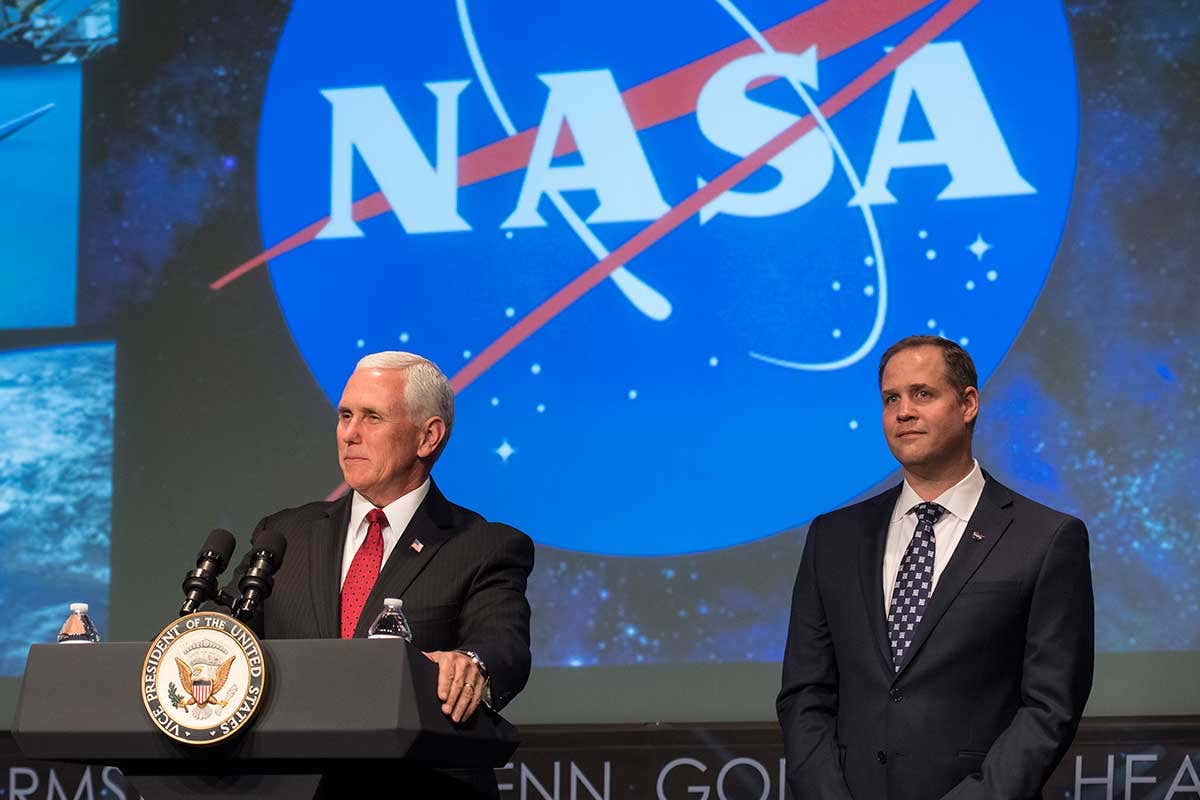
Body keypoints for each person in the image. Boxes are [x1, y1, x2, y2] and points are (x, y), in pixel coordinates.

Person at [777, 336, 1094, 800]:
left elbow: (1050, 707)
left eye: (922, 393)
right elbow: (805, 693)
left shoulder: (1046, 538)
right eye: (891, 398)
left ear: (968, 404)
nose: (903, 411)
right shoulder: (834, 538)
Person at [234, 351, 534, 798]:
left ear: (428, 437)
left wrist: (471, 664)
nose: (349, 434)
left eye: (372, 417)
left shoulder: (484, 546)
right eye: (345, 415)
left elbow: (502, 642)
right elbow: (227, 629)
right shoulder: (284, 534)